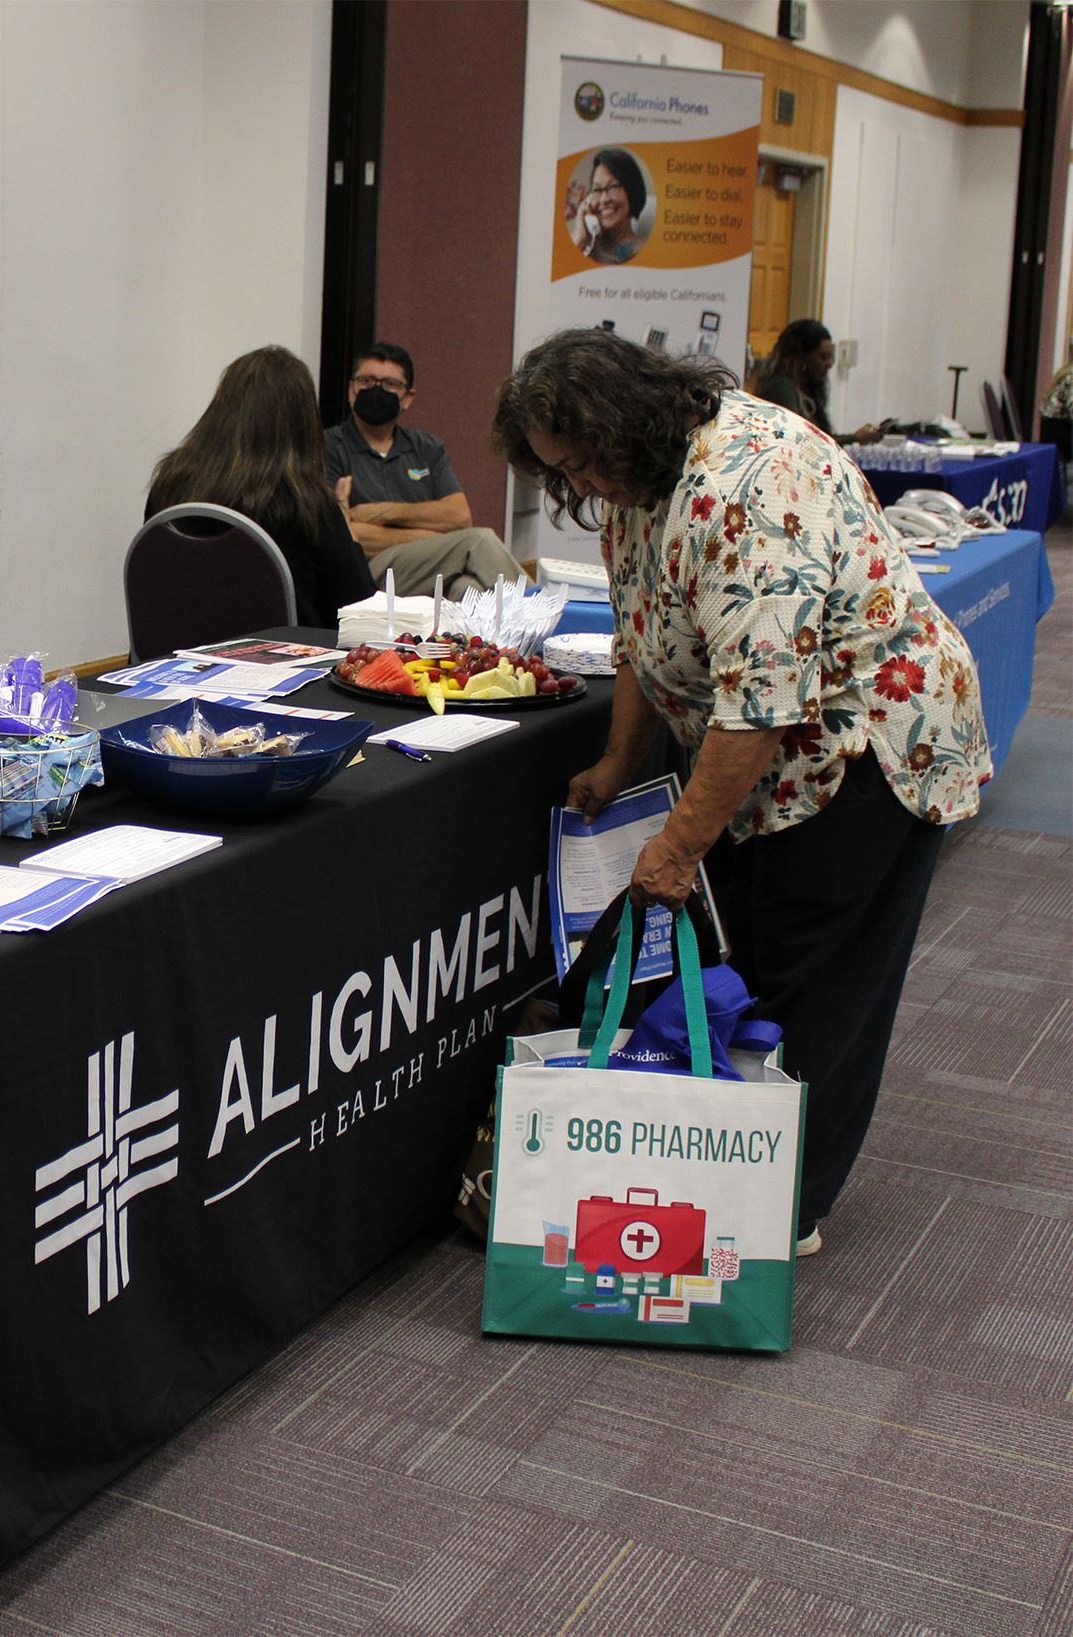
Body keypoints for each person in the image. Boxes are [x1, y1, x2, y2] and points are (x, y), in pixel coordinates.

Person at [492, 328, 992, 1255]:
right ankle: (737, 1163)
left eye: (585, 463)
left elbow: (761, 704)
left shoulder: (752, 482)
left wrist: (679, 846)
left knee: (819, 972)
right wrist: (616, 759)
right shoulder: (637, 479)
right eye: (565, 473)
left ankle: (782, 1209)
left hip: (871, 741)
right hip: (773, 751)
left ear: (623, 419)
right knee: (751, 956)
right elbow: (645, 631)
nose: (584, 486)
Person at [145, 346, 373, 627]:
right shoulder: (307, 502)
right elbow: (359, 612)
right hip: (282, 666)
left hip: (173, 663)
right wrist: (349, 534)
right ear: (304, 423)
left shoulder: (170, 483)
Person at [324, 342, 528, 595]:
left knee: (468, 589)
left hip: (427, 569)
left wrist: (384, 512)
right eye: (366, 380)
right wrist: (434, 536)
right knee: (478, 541)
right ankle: (553, 621)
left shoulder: (427, 448)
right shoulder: (328, 447)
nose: (376, 390)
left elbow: (459, 516)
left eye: (390, 384)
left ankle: (527, 630)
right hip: (368, 572)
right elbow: (348, 535)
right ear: (351, 390)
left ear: (408, 397)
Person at [751, 319, 885, 445]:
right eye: (823, 357)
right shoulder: (781, 388)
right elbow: (799, 442)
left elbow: (820, 440)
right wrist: (856, 438)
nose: (830, 364)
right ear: (801, 358)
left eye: (830, 357)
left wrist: (856, 437)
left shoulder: (807, 389)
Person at [576, 148, 646, 264]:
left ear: (632, 192)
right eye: (597, 189)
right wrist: (579, 241)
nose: (604, 199)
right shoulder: (583, 246)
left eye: (613, 187)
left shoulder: (645, 251)